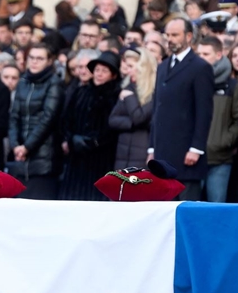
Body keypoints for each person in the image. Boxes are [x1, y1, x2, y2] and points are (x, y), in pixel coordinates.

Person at [148, 18, 214, 200]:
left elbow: (204, 112)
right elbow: (157, 110)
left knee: (185, 208)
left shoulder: (200, 68)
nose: (170, 39)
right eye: (168, 35)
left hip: (186, 155)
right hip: (162, 154)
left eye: (175, 35)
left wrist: (196, 148)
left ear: (189, 36)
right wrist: (151, 148)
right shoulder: (162, 67)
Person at [59, 51, 121, 201]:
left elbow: (112, 127)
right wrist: (72, 138)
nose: (99, 74)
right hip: (77, 155)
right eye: (97, 70)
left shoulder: (115, 96)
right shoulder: (81, 92)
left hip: (101, 157)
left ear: (113, 75)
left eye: (104, 71)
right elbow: (67, 119)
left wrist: (94, 142)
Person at [8, 43, 65, 199]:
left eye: (39, 58)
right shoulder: (23, 82)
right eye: (31, 58)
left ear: (48, 61)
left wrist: (27, 147)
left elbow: (48, 119)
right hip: (20, 158)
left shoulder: (54, 83)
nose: (34, 62)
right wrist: (15, 145)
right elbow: (14, 117)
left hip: (44, 158)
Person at [197, 36, 238, 203]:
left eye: (206, 54)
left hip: (220, 159)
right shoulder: (192, 81)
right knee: (192, 208)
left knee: (216, 208)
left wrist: (222, 142)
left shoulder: (233, 87)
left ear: (219, 55)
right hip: (193, 157)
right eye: (199, 54)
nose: (201, 58)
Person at [109, 48, 156, 170]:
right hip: (122, 154)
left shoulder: (155, 92)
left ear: (143, 67)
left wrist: (129, 97)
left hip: (143, 154)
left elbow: (138, 117)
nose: (127, 71)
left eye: (131, 66)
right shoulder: (128, 87)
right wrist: (132, 124)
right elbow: (112, 120)